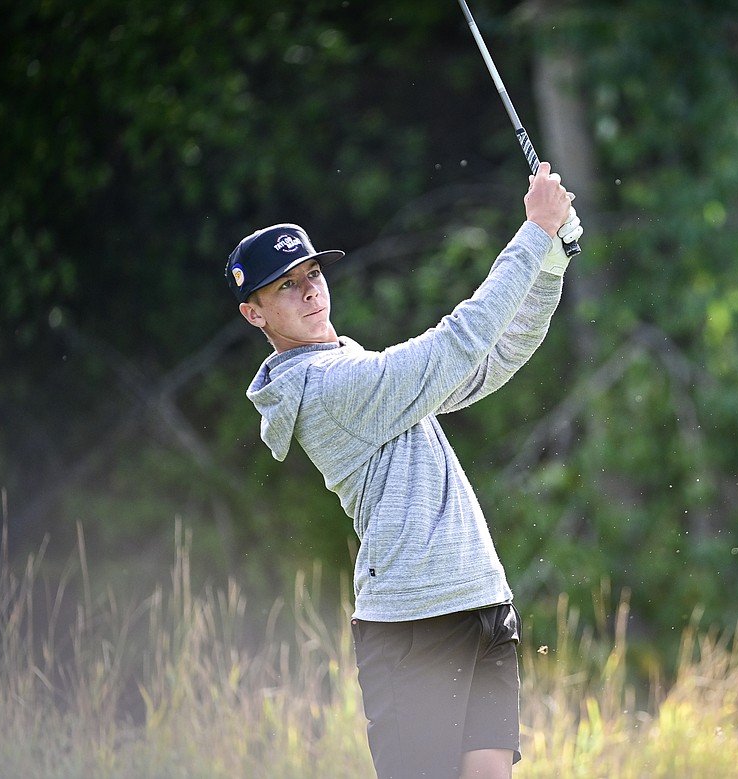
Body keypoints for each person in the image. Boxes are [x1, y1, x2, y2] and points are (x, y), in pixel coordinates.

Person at [225, 162, 581, 778]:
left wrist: (550, 261)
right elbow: (455, 344)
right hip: (415, 625)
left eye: (311, 274)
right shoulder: (325, 390)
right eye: (285, 286)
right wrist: (532, 232)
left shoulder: (354, 363)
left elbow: (491, 359)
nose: (310, 290)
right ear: (253, 314)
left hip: (481, 601)